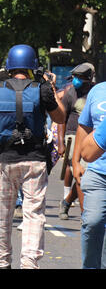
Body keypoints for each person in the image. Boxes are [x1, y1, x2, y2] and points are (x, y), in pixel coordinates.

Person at [0, 44, 65, 269]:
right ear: (33, 66)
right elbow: (59, 117)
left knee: (3, 213)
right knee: (33, 214)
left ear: (9, 66)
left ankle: (2, 262)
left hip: (6, 160)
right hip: (34, 161)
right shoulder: (42, 89)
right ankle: (29, 263)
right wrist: (51, 86)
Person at [74, 79, 106, 269]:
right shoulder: (98, 91)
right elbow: (84, 126)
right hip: (98, 172)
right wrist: (76, 161)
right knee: (93, 222)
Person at [57, 63, 95, 219]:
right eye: (75, 77)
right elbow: (61, 118)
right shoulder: (70, 92)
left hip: (92, 139)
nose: (76, 80)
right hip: (73, 137)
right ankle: (84, 214)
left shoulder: (96, 92)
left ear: (88, 79)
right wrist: (60, 142)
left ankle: (66, 202)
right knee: (81, 176)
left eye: (79, 77)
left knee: (87, 176)